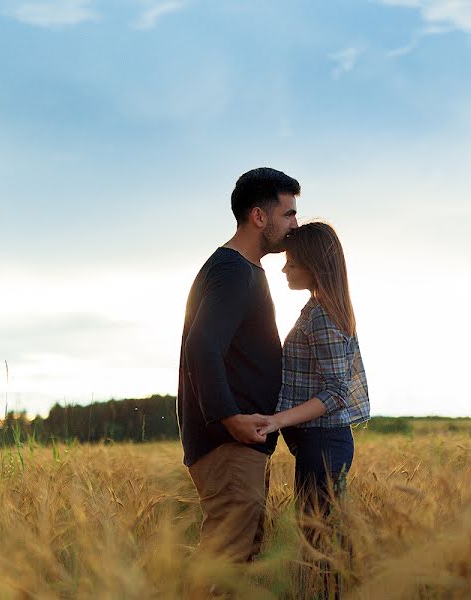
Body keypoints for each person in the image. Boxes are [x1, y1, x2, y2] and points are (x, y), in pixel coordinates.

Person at [178, 167, 300, 563]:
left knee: (238, 562)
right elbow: (202, 346)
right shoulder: (232, 271)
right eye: (288, 214)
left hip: (241, 445)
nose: (294, 225)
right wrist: (229, 417)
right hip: (229, 445)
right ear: (259, 216)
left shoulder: (244, 270)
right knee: (224, 565)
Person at [256, 221, 370, 595]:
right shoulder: (317, 307)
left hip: (324, 443)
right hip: (319, 443)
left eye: (292, 263)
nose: (285, 269)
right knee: (322, 539)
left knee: (322, 544)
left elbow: (337, 391)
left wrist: (277, 421)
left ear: (315, 266)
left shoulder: (322, 314)